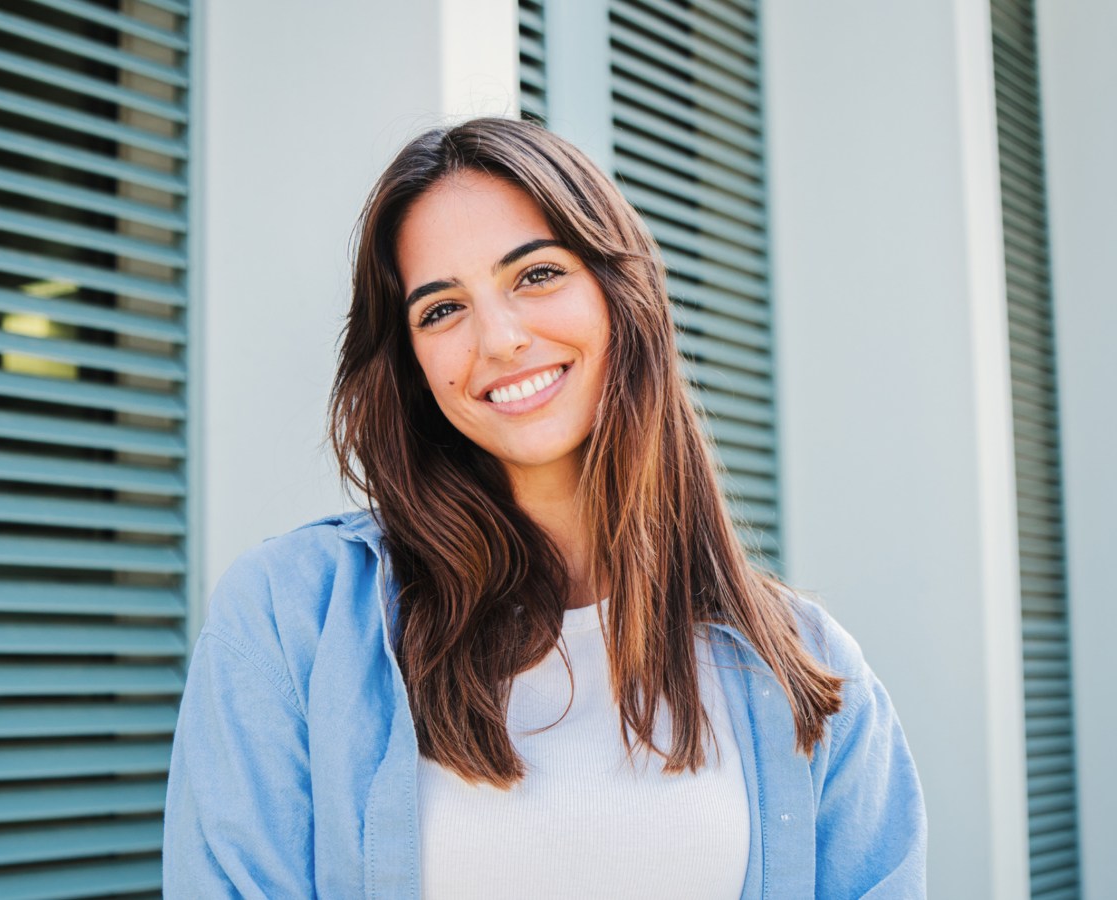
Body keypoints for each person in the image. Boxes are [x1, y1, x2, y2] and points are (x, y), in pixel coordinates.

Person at [162, 117, 927, 898]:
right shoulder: (289, 620)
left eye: (535, 275)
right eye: (440, 310)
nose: (498, 339)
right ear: (412, 365)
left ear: (618, 292)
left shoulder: (810, 669)